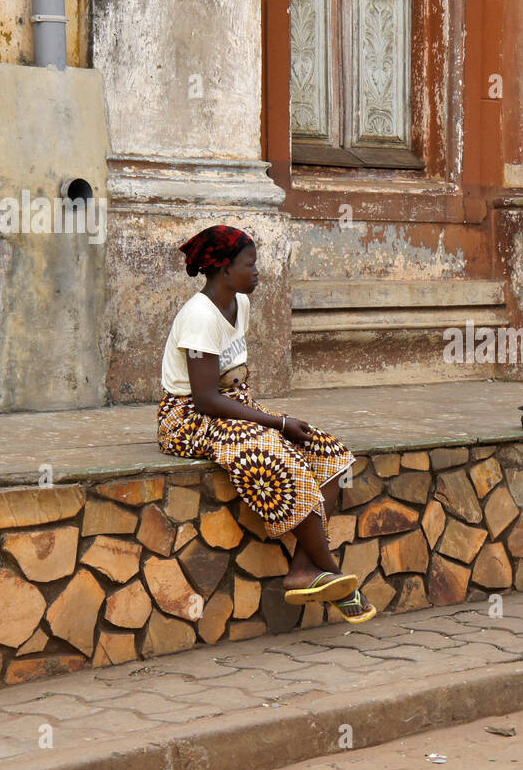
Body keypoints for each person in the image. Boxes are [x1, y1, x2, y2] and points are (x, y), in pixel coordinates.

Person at [156, 224, 375, 623]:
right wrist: (277, 422)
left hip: (229, 405)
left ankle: (303, 570)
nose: (257, 272)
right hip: (189, 418)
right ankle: (334, 573)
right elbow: (204, 398)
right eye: (249, 264)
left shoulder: (241, 302)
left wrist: (279, 422)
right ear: (224, 268)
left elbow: (229, 388)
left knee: (329, 453)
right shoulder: (199, 316)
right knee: (277, 456)